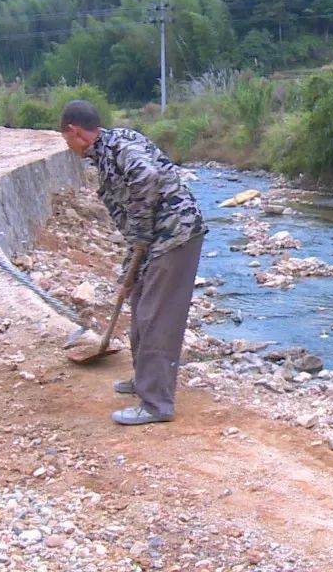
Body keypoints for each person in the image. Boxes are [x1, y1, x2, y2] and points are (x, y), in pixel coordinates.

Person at [59, 99, 206, 425]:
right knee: (139, 304)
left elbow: (148, 179)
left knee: (157, 318)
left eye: (65, 138)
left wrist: (140, 235)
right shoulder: (108, 150)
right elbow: (135, 225)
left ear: (75, 131)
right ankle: (144, 380)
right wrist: (128, 272)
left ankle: (156, 404)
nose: (67, 146)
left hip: (176, 236)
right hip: (156, 240)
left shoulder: (121, 146)